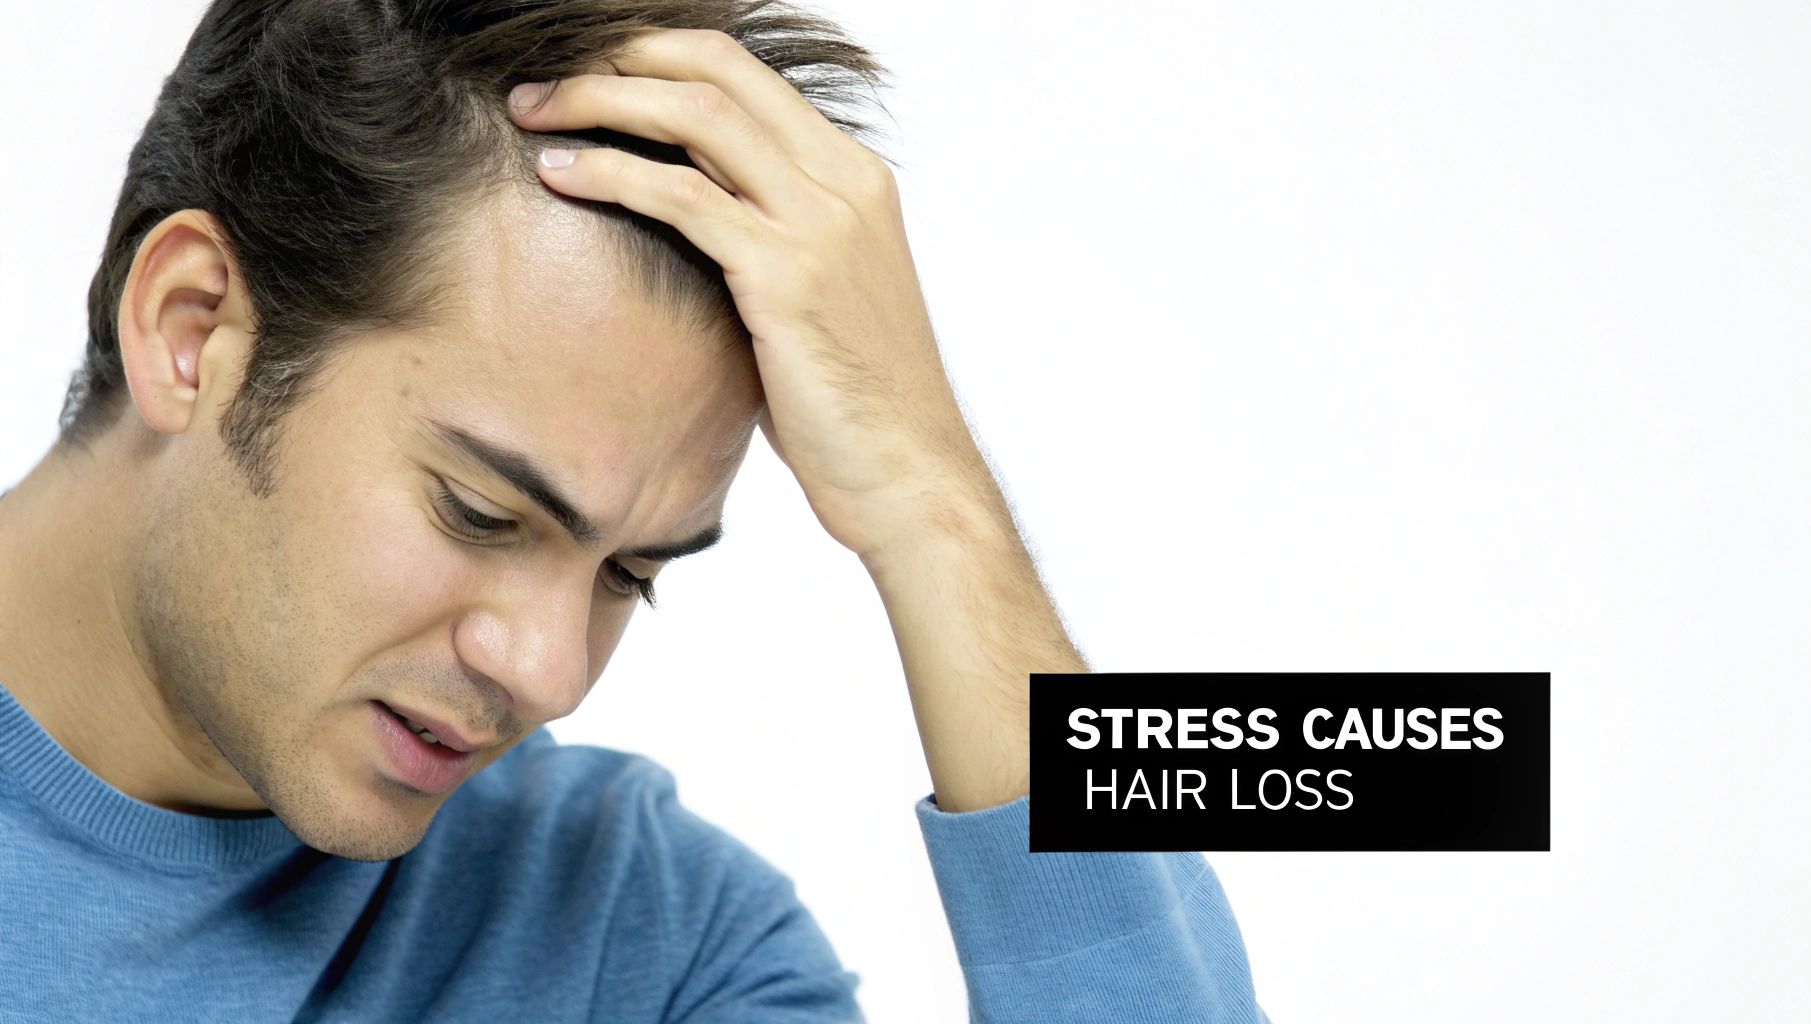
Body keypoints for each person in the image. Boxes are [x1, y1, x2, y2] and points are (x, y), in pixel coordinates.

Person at [0, 0, 1271, 1020]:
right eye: (480, 512)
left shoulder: (636, 941)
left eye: (629, 573)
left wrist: (938, 514)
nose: (550, 673)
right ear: (194, 332)